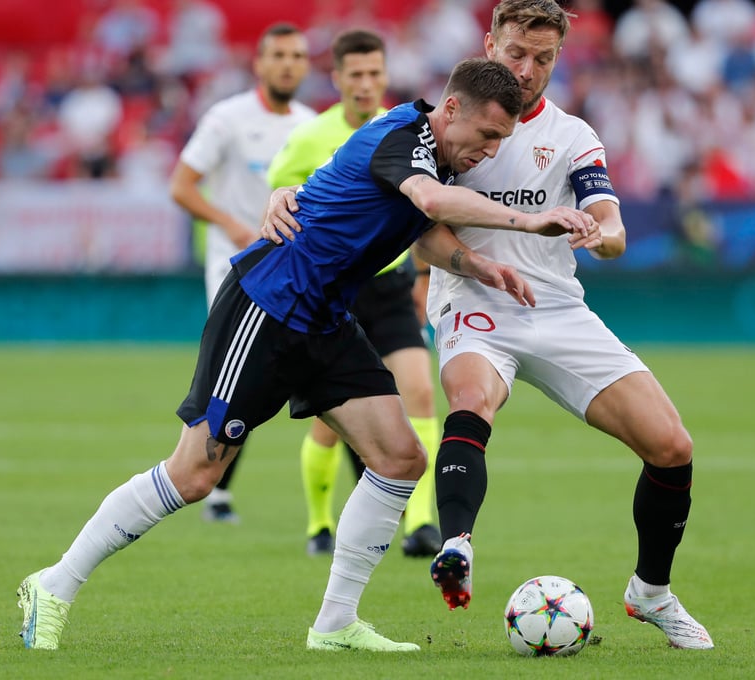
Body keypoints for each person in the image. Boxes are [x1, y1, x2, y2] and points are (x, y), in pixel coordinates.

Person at [16, 57, 596, 654]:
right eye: (489, 135)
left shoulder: (439, 156)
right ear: (451, 109)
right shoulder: (403, 137)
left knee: (400, 458)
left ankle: (336, 623)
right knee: (195, 474)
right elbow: (427, 200)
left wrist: (477, 265)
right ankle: (53, 586)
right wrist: (531, 222)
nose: (492, 150)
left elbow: (419, 225)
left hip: (324, 320)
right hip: (269, 305)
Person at [267, 0, 715, 650]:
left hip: (555, 306)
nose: (528, 70)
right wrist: (285, 194)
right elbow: (409, 221)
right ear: (489, 45)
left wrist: (605, 237)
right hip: (471, 299)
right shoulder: (449, 123)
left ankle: (651, 592)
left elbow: (609, 219)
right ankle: (457, 544)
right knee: (471, 400)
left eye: (544, 59)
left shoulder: (572, 136)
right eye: (516, 54)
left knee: (672, 446)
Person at [264, 29, 442, 558]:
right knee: (332, 424)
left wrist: (423, 278)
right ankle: (320, 523)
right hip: (335, 293)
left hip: (389, 289)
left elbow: (424, 213)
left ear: (385, 76)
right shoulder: (309, 139)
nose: (366, 84)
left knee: (421, 392)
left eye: (375, 73)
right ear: (338, 78)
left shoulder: (408, 132)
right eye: (356, 74)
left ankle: (420, 523)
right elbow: (279, 201)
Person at [169, 22, 315, 523]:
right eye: (279, 55)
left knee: (280, 373)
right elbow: (182, 185)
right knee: (237, 373)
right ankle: (210, 484)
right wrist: (231, 225)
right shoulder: (227, 119)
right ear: (259, 63)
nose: (288, 65)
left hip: (292, 271)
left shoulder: (311, 126)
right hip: (234, 269)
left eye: (297, 56)